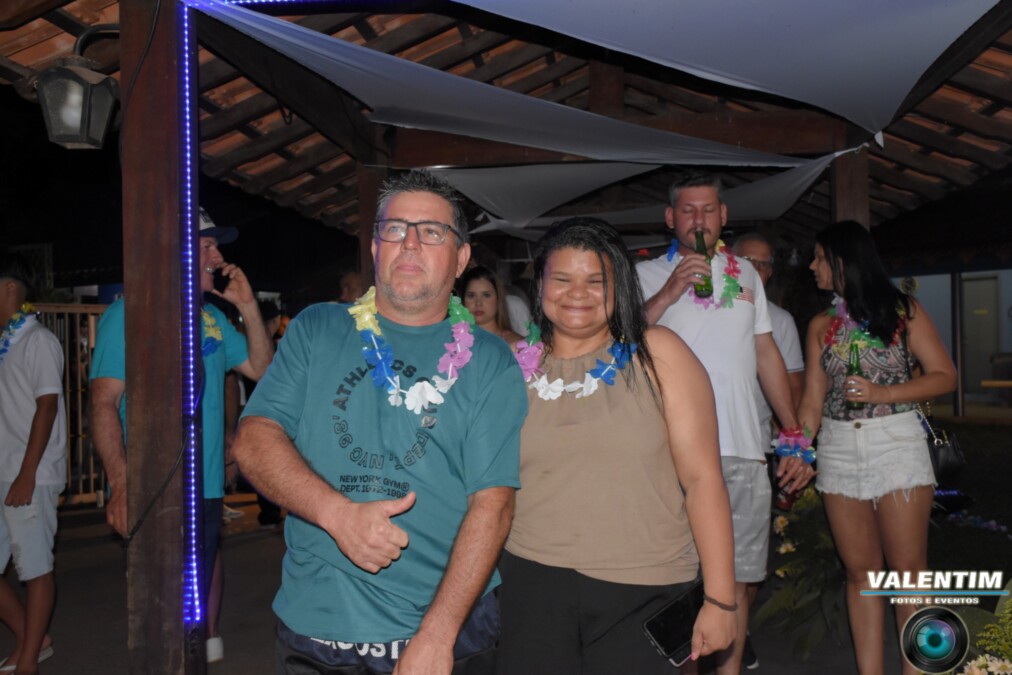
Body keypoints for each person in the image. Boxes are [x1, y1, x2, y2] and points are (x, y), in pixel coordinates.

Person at [231, 170, 527, 674]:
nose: (409, 243)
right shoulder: (316, 328)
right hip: (318, 628)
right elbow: (254, 438)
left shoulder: (491, 359)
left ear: (460, 259)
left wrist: (437, 635)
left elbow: (493, 504)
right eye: (395, 229)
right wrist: (337, 515)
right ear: (375, 247)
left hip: (444, 629)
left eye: (431, 231)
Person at [495, 217, 736, 674]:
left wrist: (721, 600)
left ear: (619, 286)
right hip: (530, 582)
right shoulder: (510, 368)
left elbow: (704, 480)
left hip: (645, 588)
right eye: (562, 279)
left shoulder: (658, 353)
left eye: (595, 280)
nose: (577, 293)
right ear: (540, 285)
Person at [637, 171, 814, 675]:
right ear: (670, 218)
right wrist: (670, 290)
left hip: (742, 447)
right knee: (678, 582)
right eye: (688, 210)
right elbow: (620, 342)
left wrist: (792, 432)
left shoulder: (747, 276)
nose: (699, 220)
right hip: (670, 452)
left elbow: (766, 352)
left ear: (724, 216)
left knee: (735, 582)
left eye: (709, 209)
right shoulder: (643, 274)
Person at [88, 208, 272, 664]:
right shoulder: (129, 313)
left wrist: (248, 307)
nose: (218, 257)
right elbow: (103, 402)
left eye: (216, 247)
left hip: (204, 489)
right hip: (153, 490)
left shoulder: (213, 319)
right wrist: (122, 483)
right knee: (161, 617)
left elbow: (262, 371)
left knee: (189, 617)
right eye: (207, 246)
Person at [797, 220, 956, 675]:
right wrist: (797, 449)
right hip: (838, 448)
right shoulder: (820, 324)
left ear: (844, 261)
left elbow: (944, 376)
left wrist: (883, 393)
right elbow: (812, 401)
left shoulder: (904, 311)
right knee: (860, 574)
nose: (812, 266)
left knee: (908, 573)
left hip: (896, 445)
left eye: (820, 257)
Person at [731, 233, 806, 670]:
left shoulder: (780, 321)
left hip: (756, 449)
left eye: (764, 264)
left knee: (750, 560)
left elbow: (793, 389)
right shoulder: (704, 306)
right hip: (699, 450)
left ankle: (738, 633)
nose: (756, 270)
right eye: (747, 260)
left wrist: (793, 448)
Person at [0, 253, 65, 674]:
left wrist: (26, 474)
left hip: (32, 474)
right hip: (3, 470)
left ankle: (28, 663)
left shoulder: (38, 340)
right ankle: (33, 639)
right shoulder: (4, 342)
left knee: (35, 568)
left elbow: (47, 406)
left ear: (9, 288)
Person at [459, 266, 522, 346]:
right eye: (471, 296)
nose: (478, 303)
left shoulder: (517, 345)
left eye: (486, 295)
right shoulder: (453, 343)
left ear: (498, 298)